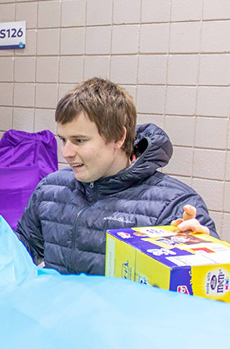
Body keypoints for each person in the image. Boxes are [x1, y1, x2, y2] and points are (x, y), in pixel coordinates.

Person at [16, 77, 218, 276]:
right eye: (64, 140)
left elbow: (211, 287)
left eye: (79, 140)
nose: (66, 153)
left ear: (119, 137)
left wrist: (204, 256)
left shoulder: (173, 206)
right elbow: (16, 255)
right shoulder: (51, 190)